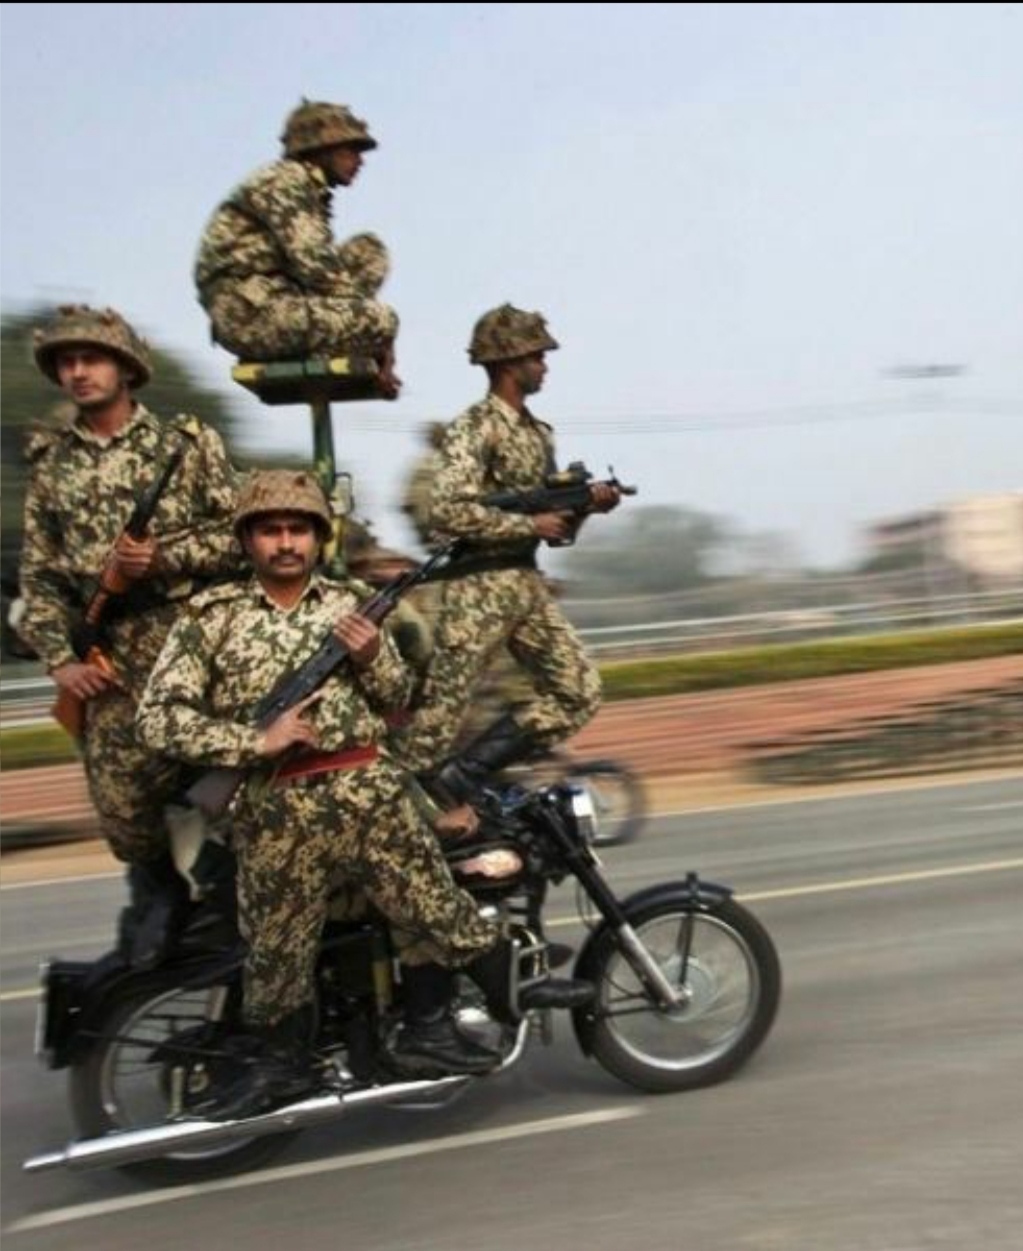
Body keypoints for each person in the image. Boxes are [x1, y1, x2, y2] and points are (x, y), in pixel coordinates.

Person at [136, 470, 594, 1119]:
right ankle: (280, 1063)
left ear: (318, 537)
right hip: (276, 805)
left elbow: (397, 697)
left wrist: (376, 653)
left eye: (299, 528)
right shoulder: (210, 618)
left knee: (435, 903)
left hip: (365, 788)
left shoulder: (350, 605)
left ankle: (493, 996)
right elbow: (156, 718)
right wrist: (252, 741)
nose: (286, 542)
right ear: (248, 538)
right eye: (271, 530)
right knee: (278, 949)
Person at [18, 304, 243, 965]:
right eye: (67, 362)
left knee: (232, 778)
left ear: (125, 367)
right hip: (106, 655)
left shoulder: (182, 446)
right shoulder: (52, 464)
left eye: (92, 358)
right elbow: (39, 581)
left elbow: (240, 536)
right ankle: (158, 892)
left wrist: (164, 559)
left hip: (187, 643)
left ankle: (234, 892)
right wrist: (61, 659)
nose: (78, 371)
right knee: (121, 805)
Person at [393, 304, 621, 800]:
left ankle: (466, 776)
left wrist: (585, 508)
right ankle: (389, 810)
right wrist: (526, 522)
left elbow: (555, 534)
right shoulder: (474, 428)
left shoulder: (540, 435)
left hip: (525, 583)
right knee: (438, 717)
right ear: (508, 360)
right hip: (477, 588)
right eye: (536, 356)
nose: (544, 365)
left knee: (577, 691)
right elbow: (446, 512)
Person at [194, 98, 400, 397]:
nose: (359, 160)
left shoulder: (306, 187)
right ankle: (320, 347)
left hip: (279, 300)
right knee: (382, 320)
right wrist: (383, 344)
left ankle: (325, 345)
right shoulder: (286, 180)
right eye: (351, 149)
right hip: (249, 315)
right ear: (322, 148)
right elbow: (319, 269)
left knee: (368, 252)